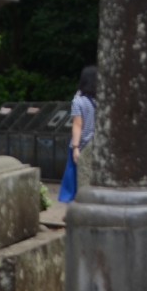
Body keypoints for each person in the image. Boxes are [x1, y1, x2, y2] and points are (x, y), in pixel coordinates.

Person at [61, 67, 96, 204]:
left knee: (73, 183)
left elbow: (77, 125)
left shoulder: (78, 101)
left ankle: (71, 210)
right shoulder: (101, 101)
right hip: (93, 145)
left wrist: (75, 147)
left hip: (81, 146)